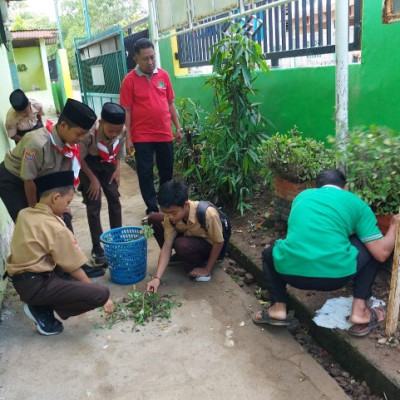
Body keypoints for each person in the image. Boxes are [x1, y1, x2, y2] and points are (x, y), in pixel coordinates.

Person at [252, 169, 398, 337]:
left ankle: (278, 308)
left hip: (290, 273)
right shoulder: (355, 202)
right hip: (335, 278)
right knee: (368, 245)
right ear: (346, 187)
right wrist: (394, 225)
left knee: (268, 254)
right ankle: (360, 311)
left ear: (317, 187)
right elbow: (382, 253)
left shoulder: (302, 197)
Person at [0, 98, 104, 278]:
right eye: (78, 134)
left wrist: (65, 206)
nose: (80, 140)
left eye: (83, 136)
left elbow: (62, 180)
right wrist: (36, 213)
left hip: (40, 178)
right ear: (63, 125)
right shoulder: (37, 143)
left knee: (63, 216)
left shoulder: (68, 144)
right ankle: (40, 274)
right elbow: (29, 181)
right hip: (14, 181)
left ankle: (74, 265)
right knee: (31, 224)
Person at [5, 171, 114, 336]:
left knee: (64, 274)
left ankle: (42, 303)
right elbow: (75, 268)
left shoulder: (25, 213)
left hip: (22, 282)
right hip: (37, 286)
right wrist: (101, 297)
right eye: (68, 201)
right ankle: (42, 309)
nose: (68, 207)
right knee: (100, 292)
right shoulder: (56, 227)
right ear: (55, 198)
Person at [119, 38, 183, 219]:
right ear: (135, 59)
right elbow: (127, 111)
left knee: (167, 171)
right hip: (142, 136)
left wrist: (177, 128)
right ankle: (151, 208)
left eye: (152, 57)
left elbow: (170, 104)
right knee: (145, 173)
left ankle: (165, 204)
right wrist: (129, 138)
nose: (150, 62)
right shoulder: (129, 81)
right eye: (145, 58)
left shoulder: (163, 76)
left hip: (164, 133)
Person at [146, 180, 228, 293]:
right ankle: (180, 256)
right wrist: (157, 278)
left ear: (186, 205)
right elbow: (167, 245)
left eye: (173, 213)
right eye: (166, 212)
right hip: (189, 237)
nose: (170, 216)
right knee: (154, 219)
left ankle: (199, 265)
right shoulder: (170, 216)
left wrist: (207, 269)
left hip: (209, 246)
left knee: (181, 244)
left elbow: (219, 242)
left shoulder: (209, 214)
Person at [79, 102, 126, 267]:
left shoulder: (122, 131)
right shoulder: (88, 134)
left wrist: (117, 170)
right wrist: (93, 180)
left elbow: (119, 152)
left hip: (108, 163)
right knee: (94, 202)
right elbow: (79, 158)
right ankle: (97, 247)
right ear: (101, 123)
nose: (114, 134)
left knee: (114, 198)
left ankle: (117, 239)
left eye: (117, 131)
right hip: (89, 164)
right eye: (110, 130)